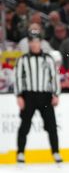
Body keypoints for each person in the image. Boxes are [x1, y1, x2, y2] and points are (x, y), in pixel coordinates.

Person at [14, 31, 61, 164]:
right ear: (28, 43)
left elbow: (54, 77)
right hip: (28, 95)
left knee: (51, 125)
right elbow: (18, 78)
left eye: (36, 41)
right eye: (32, 41)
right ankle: (21, 152)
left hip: (45, 96)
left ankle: (56, 152)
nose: (34, 44)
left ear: (40, 42)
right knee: (25, 124)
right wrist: (19, 96)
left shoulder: (48, 59)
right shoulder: (23, 59)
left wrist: (56, 94)